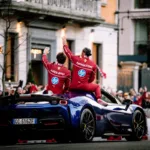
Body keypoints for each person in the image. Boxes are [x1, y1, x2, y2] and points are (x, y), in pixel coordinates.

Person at [62, 37, 107, 106]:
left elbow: (67, 51)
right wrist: (85, 82)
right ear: (89, 55)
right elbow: (92, 78)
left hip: (73, 86)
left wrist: (64, 42)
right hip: (84, 86)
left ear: (82, 52)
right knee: (97, 86)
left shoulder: (76, 59)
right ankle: (98, 99)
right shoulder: (93, 64)